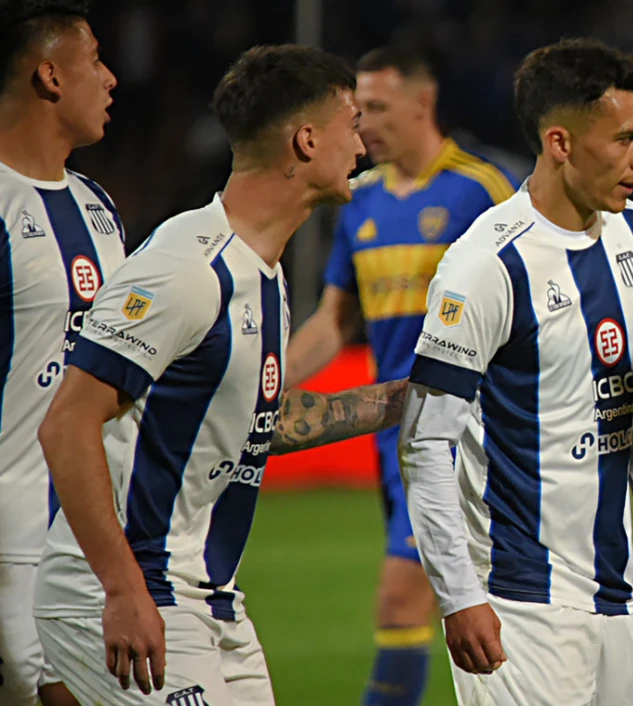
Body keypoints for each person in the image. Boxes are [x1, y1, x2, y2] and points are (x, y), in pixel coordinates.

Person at [30, 45, 410, 706]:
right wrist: (122, 591)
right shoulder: (187, 269)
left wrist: (412, 399)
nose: (363, 142)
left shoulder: (262, 273)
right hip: (132, 588)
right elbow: (67, 424)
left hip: (210, 598)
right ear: (306, 138)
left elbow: (251, 427)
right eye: (351, 123)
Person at [398, 38, 633, 705]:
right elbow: (425, 442)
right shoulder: (485, 266)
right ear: (560, 141)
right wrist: (459, 595)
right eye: (624, 139)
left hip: (618, 603)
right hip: (518, 605)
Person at [285, 44, 517, 706]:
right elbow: (336, 321)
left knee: (400, 602)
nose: (366, 123)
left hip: (459, 433)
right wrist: (267, 386)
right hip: (392, 435)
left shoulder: (482, 190)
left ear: (424, 103)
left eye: (379, 108)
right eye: (360, 110)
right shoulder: (359, 201)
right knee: (448, 612)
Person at [0, 2, 119, 704]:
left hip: (80, 550)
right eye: (94, 60)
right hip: (10, 543)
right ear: (50, 75)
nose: (110, 79)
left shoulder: (97, 206)